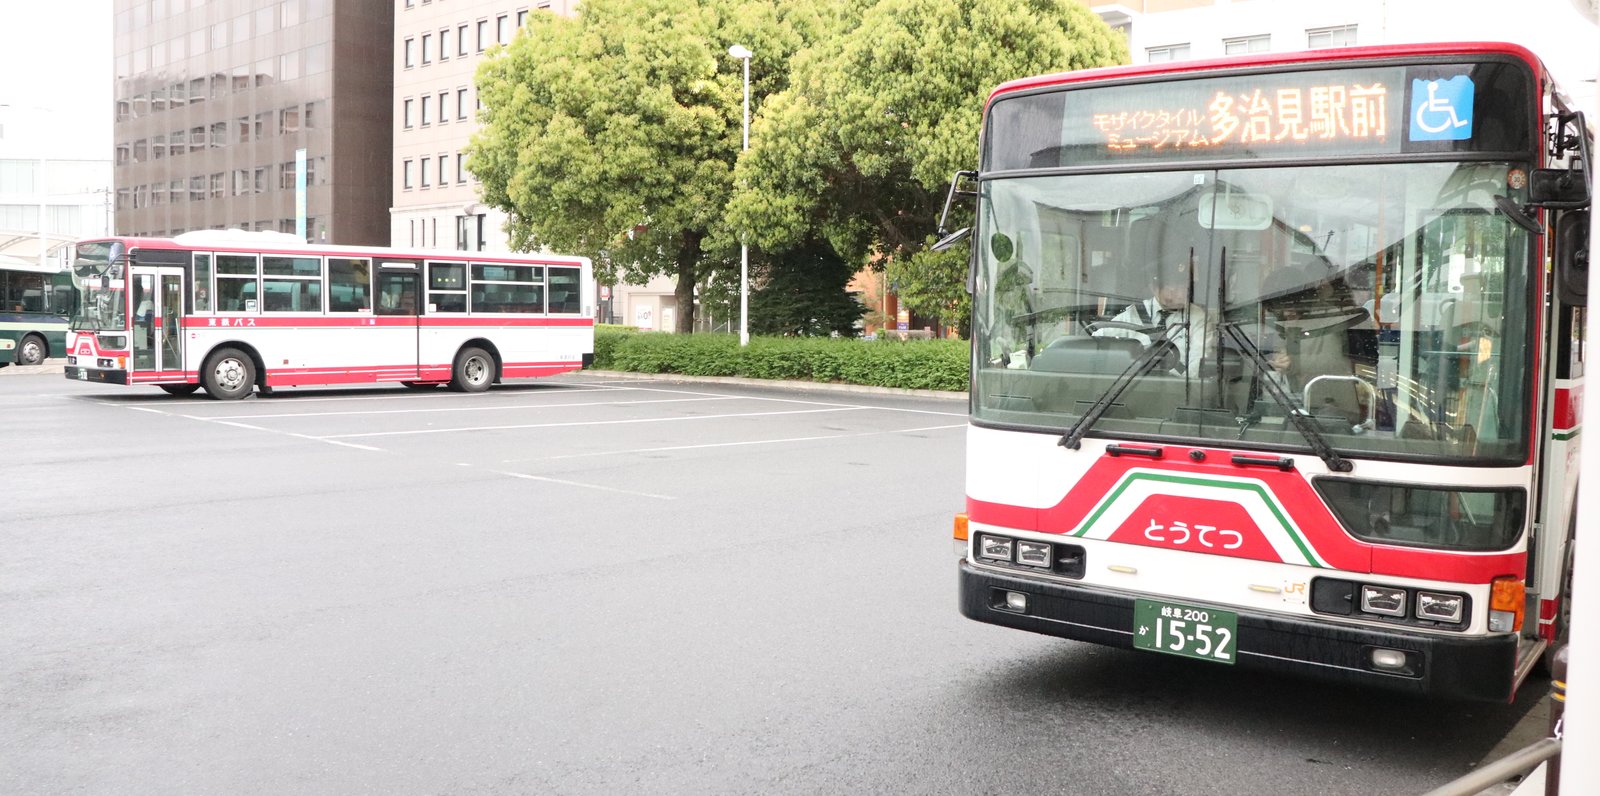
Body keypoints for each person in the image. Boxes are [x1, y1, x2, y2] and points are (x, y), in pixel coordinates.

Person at [1095, 265, 1212, 377]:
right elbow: (1097, 342)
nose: (1182, 294)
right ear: (1154, 288)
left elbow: (1199, 360)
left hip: (1179, 389)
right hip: (1133, 388)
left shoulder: (1198, 317)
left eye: (1184, 288)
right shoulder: (1133, 315)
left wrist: (1178, 385)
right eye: (1174, 289)